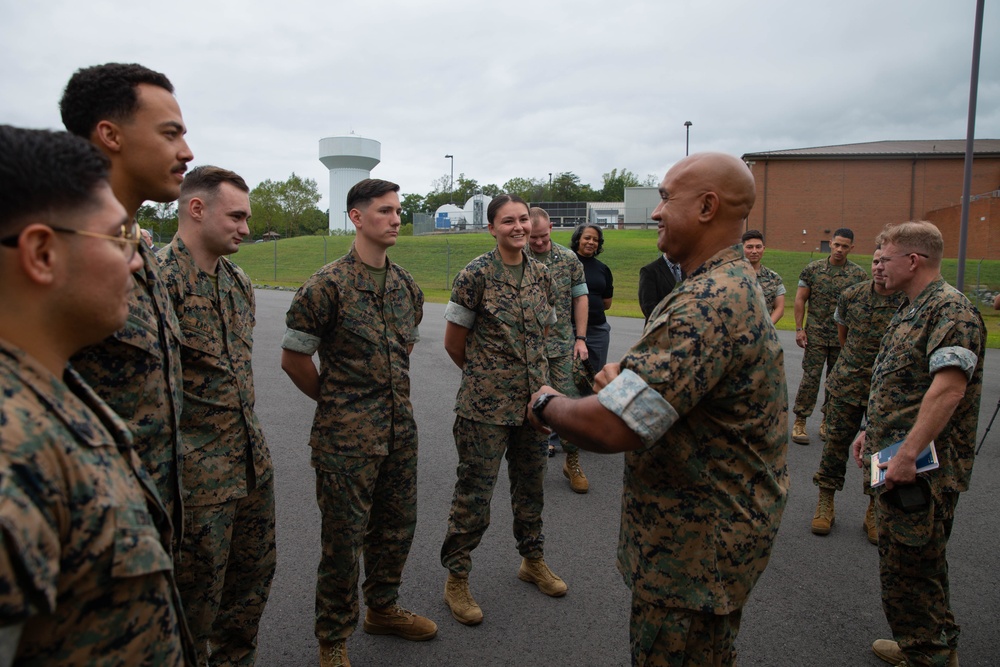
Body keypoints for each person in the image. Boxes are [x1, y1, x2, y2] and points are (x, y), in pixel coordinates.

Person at [527, 153, 788, 666]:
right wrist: (630, 379)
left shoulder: (708, 301)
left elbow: (613, 424)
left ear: (708, 206)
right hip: (711, 538)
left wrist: (546, 402)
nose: (656, 212)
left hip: (695, 552)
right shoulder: (726, 284)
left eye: (668, 197)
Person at [0, 125, 192, 664]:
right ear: (41, 253)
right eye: (118, 239)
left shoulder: (54, 387)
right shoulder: (13, 453)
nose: (137, 262)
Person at [282, 179, 435, 667]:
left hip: (398, 434)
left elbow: (403, 350)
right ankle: (333, 637)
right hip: (345, 442)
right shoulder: (325, 286)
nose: (396, 219)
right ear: (356, 216)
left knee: (396, 530)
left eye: (399, 211)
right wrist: (336, 402)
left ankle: (383, 609)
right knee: (343, 541)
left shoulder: (406, 286)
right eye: (386, 211)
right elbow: (294, 359)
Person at [59, 62, 191, 549]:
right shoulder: (55, 258)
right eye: (170, 133)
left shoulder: (139, 252)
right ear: (110, 135)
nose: (186, 151)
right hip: (87, 545)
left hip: (152, 524)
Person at [851, 221, 983, 667]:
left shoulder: (951, 311)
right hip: (896, 459)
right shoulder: (911, 309)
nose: (877, 267)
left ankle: (930, 653)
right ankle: (923, 645)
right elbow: (898, 385)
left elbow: (948, 390)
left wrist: (907, 452)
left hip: (923, 470)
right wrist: (871, 431)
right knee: (906, 566)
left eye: (883, 258)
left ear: (913, 260)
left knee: (915, 569)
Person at [159, 166, 276, 665]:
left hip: (251, 467)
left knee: (249, 591)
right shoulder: (157, 281)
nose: (246, 229)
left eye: (247, 218)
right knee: (191, 607)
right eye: (237, 216)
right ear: (197, 208)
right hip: (194, 482)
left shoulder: (238, 283)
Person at [441, 194, 564, 627]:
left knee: (531, 487)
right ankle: (457, 577)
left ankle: (532, 560)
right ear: (492, 227)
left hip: (534, 406)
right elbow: (454, 344)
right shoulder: (473, 275)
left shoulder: (544, 275)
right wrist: (487, 379)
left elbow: (545, 334)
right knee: (474, 495)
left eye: (524, 219)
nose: (519, 227)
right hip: (485, 409)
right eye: (508, 221)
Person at [809, 247, 903, 539]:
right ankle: (826, 503)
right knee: (835, 445)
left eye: (884, 262)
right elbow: (843, 335)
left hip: (886, 390)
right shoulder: (852, 296)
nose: (878, 267)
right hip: (847, 383)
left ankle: (875, 508)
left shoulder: (906, 302)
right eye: (875, 261)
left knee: (880, 449)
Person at [528, 206, 591, 492]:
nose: (538, 243)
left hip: (563, 344)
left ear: (551, 228)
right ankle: (533, 462)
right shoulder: (518, 257)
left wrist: (580, 338)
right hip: (528, 347)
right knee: (529, 406)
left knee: (569, 403)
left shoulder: (568, 259)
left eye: (542, 236)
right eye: (533, 238)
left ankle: (572, 462)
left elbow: (580, 299)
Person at [791, 228, 867, 445]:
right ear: (831, 243)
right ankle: (800, 421)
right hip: (815, 335)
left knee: (835, 382)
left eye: (845, 246)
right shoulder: (813, 270)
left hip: (841, 339)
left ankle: (827, 421)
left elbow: (860, 307)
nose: (840, 250)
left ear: (852, 248)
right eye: (837, 245)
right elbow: (800, 299)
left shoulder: (858, 275)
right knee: (810, 379)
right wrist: (799, 328)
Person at [571, 223, 614, 373]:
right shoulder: (567, 263)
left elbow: (607, 302)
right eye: (587, 238)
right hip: (570, 329)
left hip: (597, 330)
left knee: (596, 375)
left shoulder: (603, 268)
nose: (591, 242)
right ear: (578, 240)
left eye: (595, 240)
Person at [741, 229, 785, 324]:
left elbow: (780, 308)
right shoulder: (730, 275)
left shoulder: (774, 278)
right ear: (741, 249)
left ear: (763, 249)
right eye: (749, 247)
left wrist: (767, 328)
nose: (754, 251)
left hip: (764, 335)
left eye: (758, 247)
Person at [637, 252, 681, 322]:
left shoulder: (687, 269)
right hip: (661, 329)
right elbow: (648, 307)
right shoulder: (650, 271)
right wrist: (674, 322)